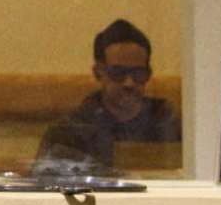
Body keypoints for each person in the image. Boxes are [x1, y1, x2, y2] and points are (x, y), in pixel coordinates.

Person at [35, 20, 180, 175]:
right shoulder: (69, 132)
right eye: (118, 73)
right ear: (98, 72)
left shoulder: (166, 124)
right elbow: (47, 182)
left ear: (149, 74)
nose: (129, 83)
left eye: (138, 73)